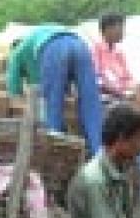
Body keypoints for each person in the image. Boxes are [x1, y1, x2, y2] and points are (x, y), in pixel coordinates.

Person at [7, 24, 104, 156]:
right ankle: (99, 153)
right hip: (80, 44)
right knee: (91, 103)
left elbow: (14, 88)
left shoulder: (17, 52)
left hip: (54, 47)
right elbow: (63, 82)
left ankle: (56, 153)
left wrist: (18, 101)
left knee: (52, 106)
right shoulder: (35, 39)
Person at [92, 12, 136, 101]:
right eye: (118, 27)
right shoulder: (96, 51)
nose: (121, 32)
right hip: (106, 98)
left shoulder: (119, 53)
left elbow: (128, 78)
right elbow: (96, 80)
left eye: (122, 27)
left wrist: (133, 88)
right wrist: (119, 92)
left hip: (122, 96)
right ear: (106, 30)